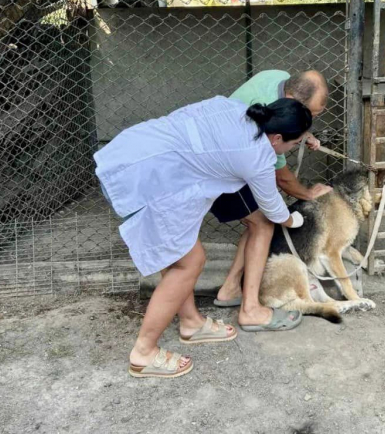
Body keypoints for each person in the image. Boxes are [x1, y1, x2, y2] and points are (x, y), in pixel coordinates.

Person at [94, 95, 312, 379]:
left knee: (180, 254)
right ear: (277, 137)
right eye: (294, 144)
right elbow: (273, 209)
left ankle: (191, 322)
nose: (292, 150)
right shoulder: (257, 155)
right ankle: (144, 353)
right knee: (189, 263)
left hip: (130, 152)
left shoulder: (235, 108)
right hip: (149, 178)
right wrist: (295, 219)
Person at [211, 69, 333, 328]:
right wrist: (308, 194)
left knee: (258, 222)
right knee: (264, 223)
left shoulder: (278, 77)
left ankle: (231, 289)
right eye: (311, 114)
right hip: (223, 166)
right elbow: (283, 180)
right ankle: (250, 310)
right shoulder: (269, 139)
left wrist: (304, 133)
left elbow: (288, 118)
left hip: (224, 154)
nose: (312, 120)